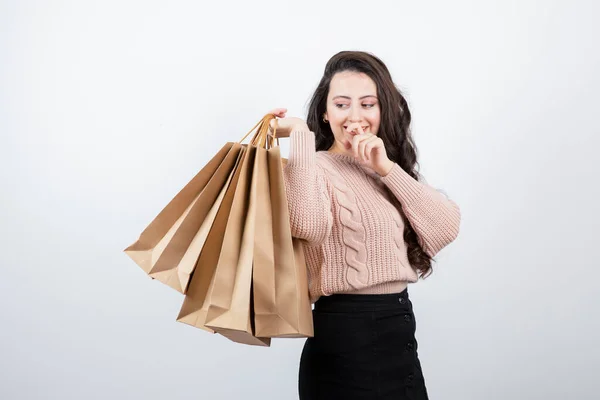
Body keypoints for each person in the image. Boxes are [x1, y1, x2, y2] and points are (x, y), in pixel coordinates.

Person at [267, 51, 461, 400]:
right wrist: (300, 136)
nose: (355, 116)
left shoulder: (384, 167)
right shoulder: (310, 167)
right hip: (345, 339)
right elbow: (307, 226)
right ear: (325, 114)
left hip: (398, 331)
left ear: (381, 110)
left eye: (367, 104)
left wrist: (387, 168)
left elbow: (445, 227)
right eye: (342, 105)